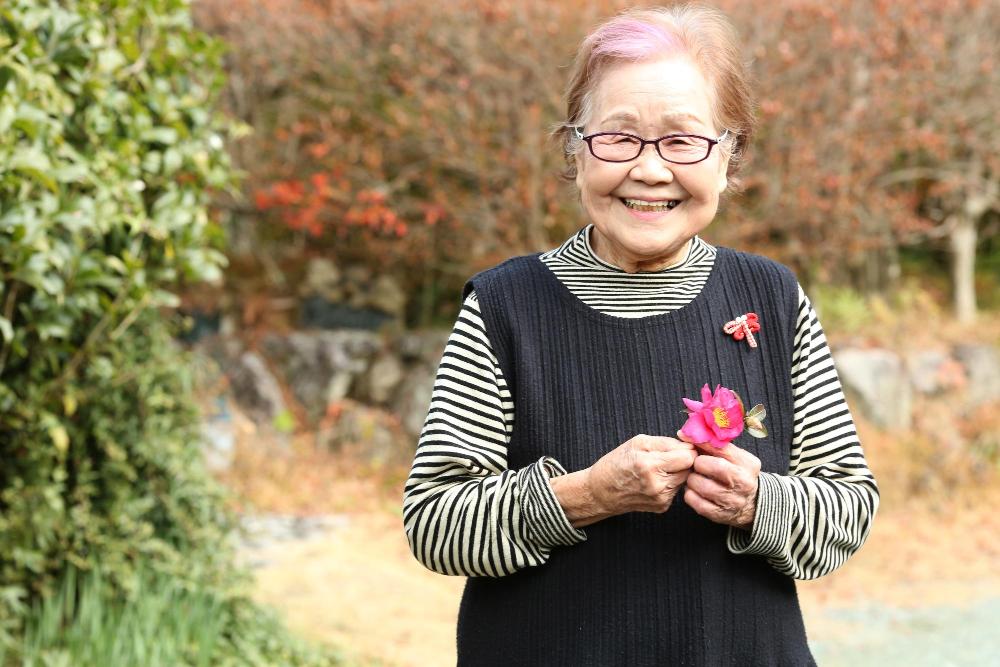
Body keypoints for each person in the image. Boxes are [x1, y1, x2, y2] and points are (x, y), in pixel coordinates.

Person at [402, 4, 879, 665]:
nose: (650, 170)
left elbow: (849, 506)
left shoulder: (771, 299)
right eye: (617, 138)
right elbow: (435, 523)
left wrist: (759, 500)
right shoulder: (505, 307)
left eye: (683, 141)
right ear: (574, 149)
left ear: (729, 154)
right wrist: (585, 495)